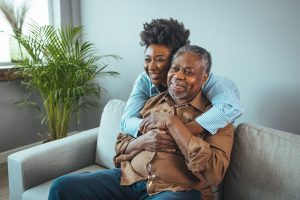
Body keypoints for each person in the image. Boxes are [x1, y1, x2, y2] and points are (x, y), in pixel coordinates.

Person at [48, 45, 234, 200]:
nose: (178, 76)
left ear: (205, 78)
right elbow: (121, 145)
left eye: (188, 72)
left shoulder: (218, 118)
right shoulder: (153, 102)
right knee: (62, 187)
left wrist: (173, 124)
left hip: (177, 190)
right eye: (174, 68)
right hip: (128, 179)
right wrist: (142, 142)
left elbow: (214, 174)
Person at [121, 18, 243, 138]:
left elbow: (231, 107)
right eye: (147, 59)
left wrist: (178, 131)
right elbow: (126, 121)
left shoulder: (204, 79)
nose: (151, 67)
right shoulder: (144, 80)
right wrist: (155, 132)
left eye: (160, 60)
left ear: (176, 59)